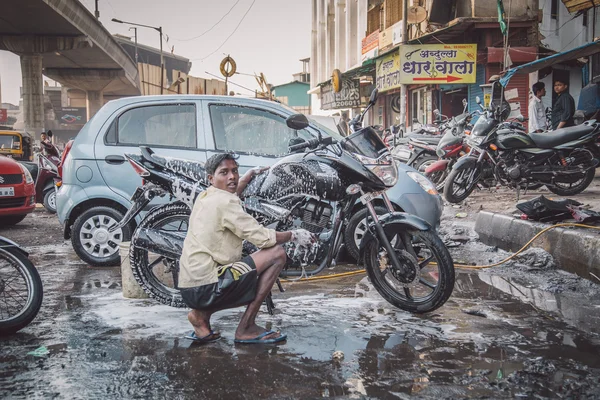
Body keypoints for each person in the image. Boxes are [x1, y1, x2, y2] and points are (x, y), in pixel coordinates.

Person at [178, 153, 313, 345]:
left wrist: (248, 176)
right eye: (224, 173)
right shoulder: (226, 202)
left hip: (190, 288)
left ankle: (200, 316)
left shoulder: (206, 195)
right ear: (211, 178)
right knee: (277, 254)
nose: (232, 177)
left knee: (242, 268)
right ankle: (246, 327)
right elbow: (263, 238)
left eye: (234, 171)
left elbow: (231, 195)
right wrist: (294, 234)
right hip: (208, 287)